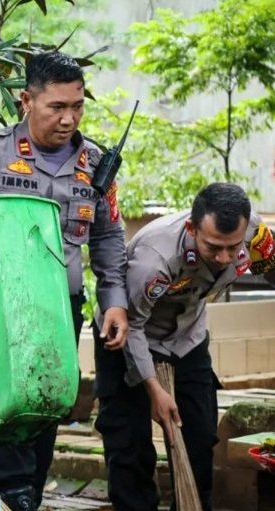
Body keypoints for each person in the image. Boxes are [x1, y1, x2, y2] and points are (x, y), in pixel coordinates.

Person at [0, 51, 129, 511]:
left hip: (62, 306)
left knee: (46, 400)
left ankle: (28, 494)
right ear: (26, 101)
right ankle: (15, 494)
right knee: (9, 400)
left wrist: (113, 301)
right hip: (1, 304)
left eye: (77, 106)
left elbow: (109, 237)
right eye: (56, 107)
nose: (68, 118)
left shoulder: (97, 163)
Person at [95, 183, 275, 510]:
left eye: (232, 248)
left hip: (186, 338)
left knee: (199, 439)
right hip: (128, 335)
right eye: (213, 248)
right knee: (129, 447)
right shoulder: (156, 256)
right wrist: (154, 390)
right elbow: (132, 324)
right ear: (193, 229)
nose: (223, 258)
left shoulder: (254, 233)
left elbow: (272, 268)